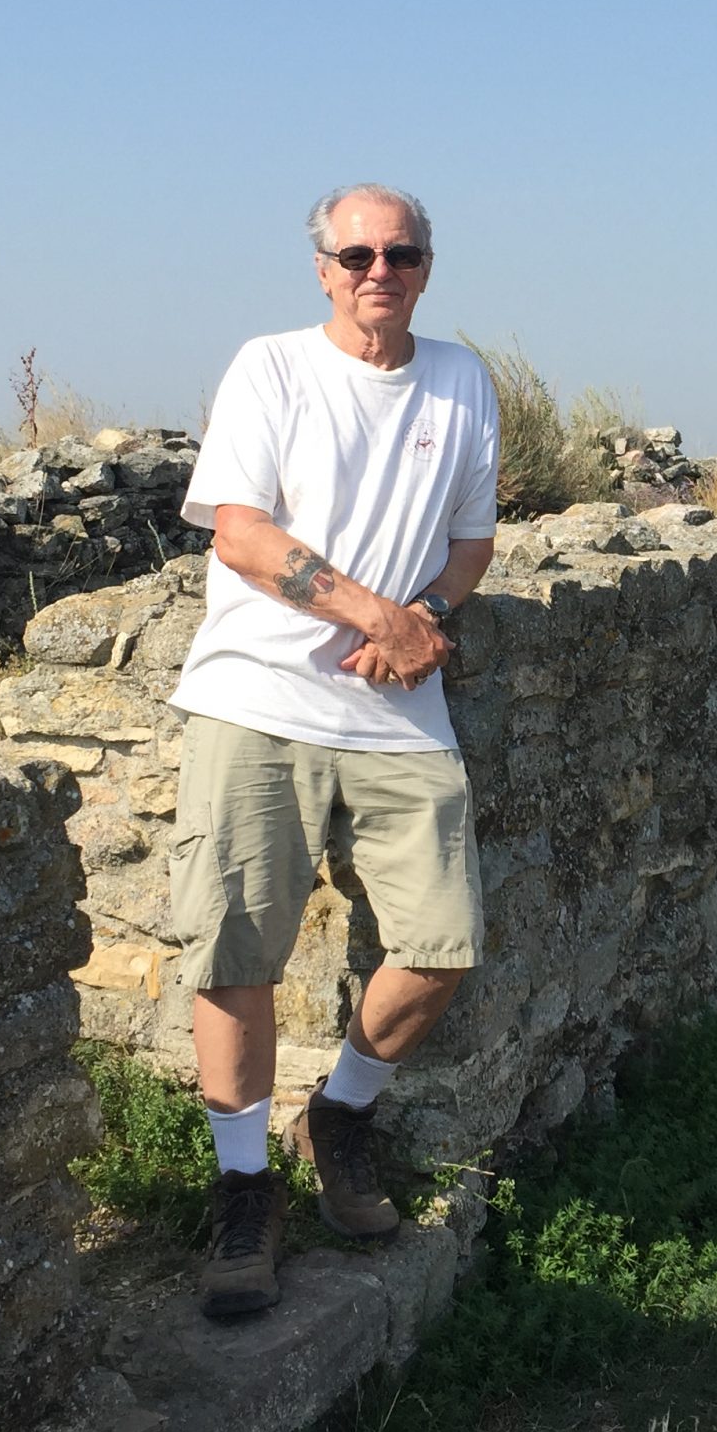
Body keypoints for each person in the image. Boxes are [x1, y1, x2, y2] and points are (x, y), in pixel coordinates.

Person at [165, 182, 501, 1318]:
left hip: (397, 713)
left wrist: (428, 619)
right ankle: (244, 1189)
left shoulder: (460, 380)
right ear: (320, 266)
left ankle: (341, 1112)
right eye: (355, 252)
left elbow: (471, 539)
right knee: (234, 952)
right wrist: (374, 616)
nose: (378, 271)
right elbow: (241, 532)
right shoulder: (270, 367)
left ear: (425, 267)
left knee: (444, 943)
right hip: (258, 698)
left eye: (400, 253)